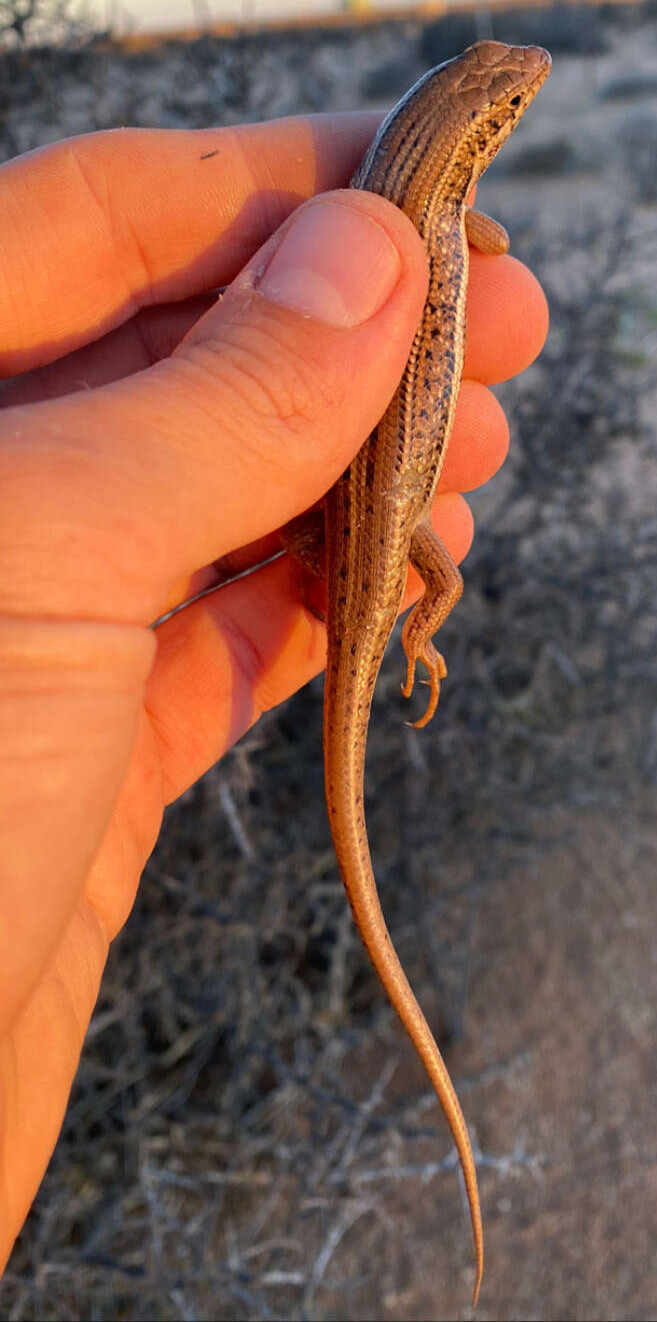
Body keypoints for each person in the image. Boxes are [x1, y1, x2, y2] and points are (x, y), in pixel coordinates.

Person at [0, 115, 549, 1267]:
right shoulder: (438, 216)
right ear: (479, 130)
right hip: (378, 513)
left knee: (412, 545)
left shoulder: (416, 200)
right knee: (424, 545)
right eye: (503, 100)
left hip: (364, 511)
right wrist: (265, 371)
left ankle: (417, 628)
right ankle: (420, 631)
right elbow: (483, 231)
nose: (519, 99)